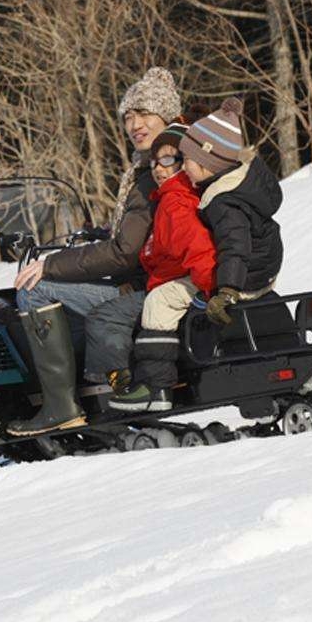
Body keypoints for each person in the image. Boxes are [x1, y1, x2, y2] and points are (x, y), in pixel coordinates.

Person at [4, 67, 182, 436]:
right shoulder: (162, 162)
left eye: (145, 114)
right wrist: (95, 235)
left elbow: (125, 253)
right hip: (148, 280)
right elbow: (136, 234)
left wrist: (51, 264)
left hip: (145, 286)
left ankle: (60, 407)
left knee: (34, 289)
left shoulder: (155, 172)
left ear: (166, 116)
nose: (135, 124)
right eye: (129, 116)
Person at [111, 96, 282, 412]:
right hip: (261, 268)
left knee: (159, 301)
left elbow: (229, 247)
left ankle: (154, 388)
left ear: (208, 161)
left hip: (237, 276)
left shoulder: (220, 201)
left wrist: (220, 290)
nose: (181, 168)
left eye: (184, 160)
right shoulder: (243, 181)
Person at [81, 123, 215, 409]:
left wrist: (210, 290)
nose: (159, 168)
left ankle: (126, 388)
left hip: (186, 284)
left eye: (168, 160)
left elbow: (198, 249)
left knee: (104, 316)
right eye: (154, 161)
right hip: (168, 280)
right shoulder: (166, 198)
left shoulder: (175, 202)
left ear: (185, 162)